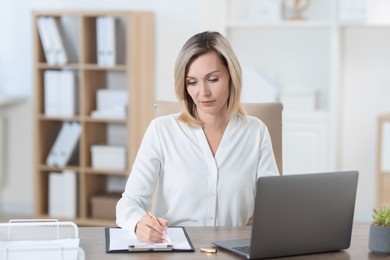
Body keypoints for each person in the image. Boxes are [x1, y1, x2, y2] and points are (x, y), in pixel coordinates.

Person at [116, 31, 279, 243]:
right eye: (192, 82)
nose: (203, 92)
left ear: (232, 76)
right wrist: (138, 223)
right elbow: (129, 203)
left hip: (232, 250)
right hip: (175, 250)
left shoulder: (255, 132)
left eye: (212, 79)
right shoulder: (161, 130)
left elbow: (275, 206)